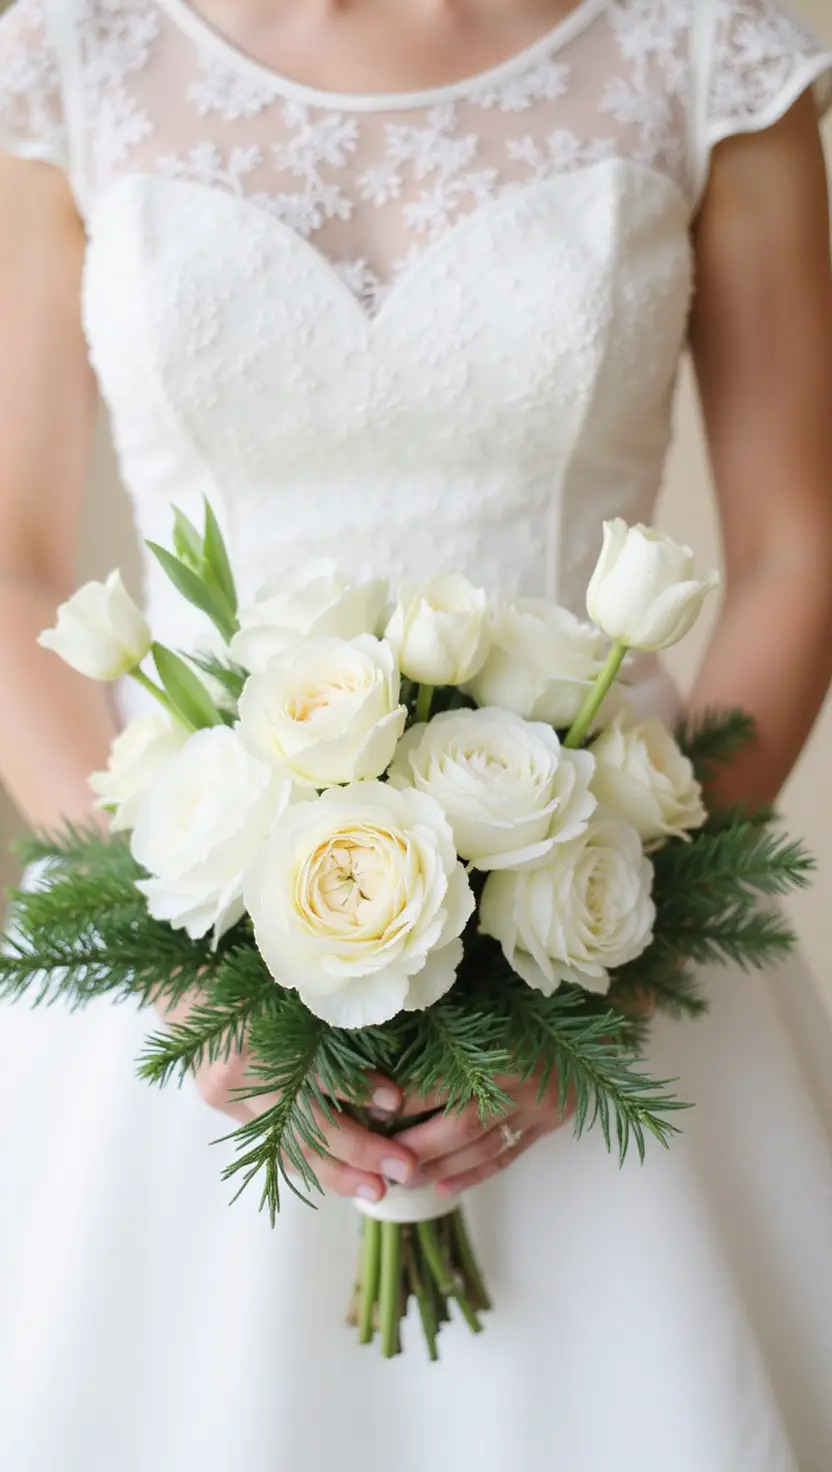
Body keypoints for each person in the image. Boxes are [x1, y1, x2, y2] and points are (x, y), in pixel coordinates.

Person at [1, 0, 831, 1467]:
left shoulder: (710, 50)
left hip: (604, 931)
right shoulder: (71, 57)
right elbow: (6, 557)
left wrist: (626, 953)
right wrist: (187, 968)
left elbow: (796, 543)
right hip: (178, 948)